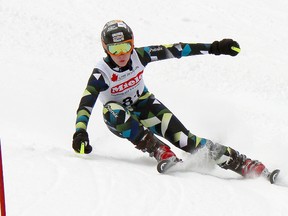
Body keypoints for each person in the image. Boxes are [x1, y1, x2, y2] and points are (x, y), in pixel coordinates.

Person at [72, 20, 267, 178]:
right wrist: (80, 132)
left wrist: (216, 47)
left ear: (132, 44)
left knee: (187, 141)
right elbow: (86, 103)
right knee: (112, 109)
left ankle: (243, 163)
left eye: (126, 47)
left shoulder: (140, 55)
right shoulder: (102, 72)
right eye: (115, 50)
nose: (122, 55)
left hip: (145, 105)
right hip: (119, 118)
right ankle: (160, 151)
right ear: (105, 49)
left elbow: (178, 49)